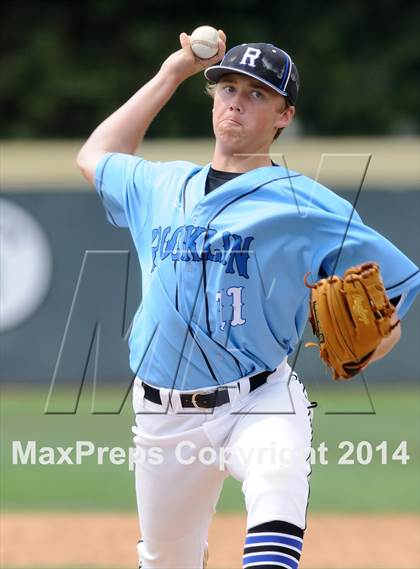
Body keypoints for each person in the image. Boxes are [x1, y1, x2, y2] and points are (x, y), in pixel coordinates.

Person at [77, 30, 419, 569]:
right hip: (163, 413)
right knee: (167, 559)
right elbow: (95, 155)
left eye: (257, 93)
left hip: (259, 400)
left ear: (285, 116)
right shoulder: (162, 186)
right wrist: (172, 73)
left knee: (277, 485)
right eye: (227, 87)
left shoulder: (304, 201)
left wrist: (379, 339)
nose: (236, 100)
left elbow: (399, 285)